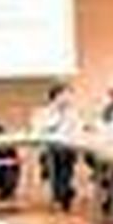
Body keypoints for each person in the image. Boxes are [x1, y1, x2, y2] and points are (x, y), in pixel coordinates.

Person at [33, 82, 82, 212]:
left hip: (67, 148)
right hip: (49, 148)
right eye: (66, 94)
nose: (69, 98)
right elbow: (39, 130)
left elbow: (77, 129)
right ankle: (63, 192)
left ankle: (62, 192)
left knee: (65, 157)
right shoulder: (43, 112)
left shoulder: (73, 113)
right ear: (57, 95)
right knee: (56, 158)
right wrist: (56, 114)